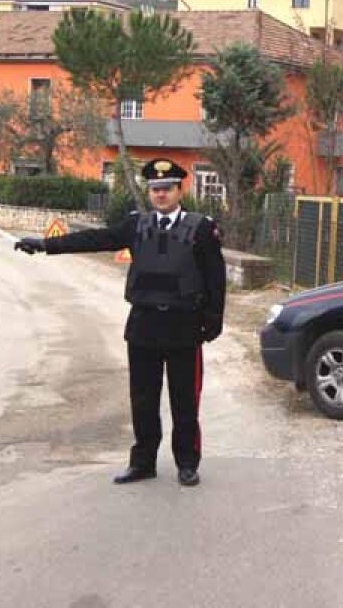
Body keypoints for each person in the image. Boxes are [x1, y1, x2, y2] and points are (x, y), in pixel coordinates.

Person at [14, 158, 226, 487]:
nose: (160, 195)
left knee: (185, 401)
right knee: (143, 400)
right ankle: (143, 463)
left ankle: (187, 463)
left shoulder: (201, 228)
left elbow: (216, 277)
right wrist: (46, 245)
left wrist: (213, 321)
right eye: (155, 189)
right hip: (143, 327)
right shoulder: (135, 225)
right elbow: (95, 239)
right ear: (149, 192)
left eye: (166, 188)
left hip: (184, 328)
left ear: (178, 190)